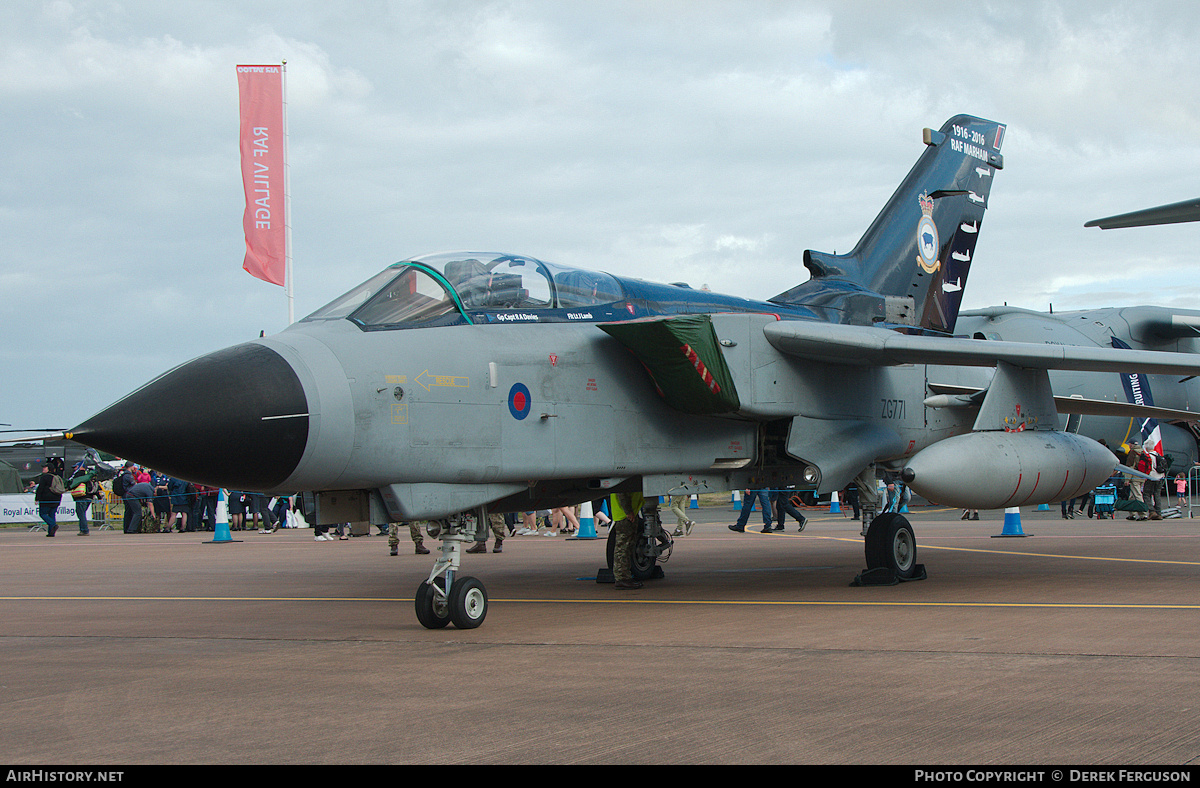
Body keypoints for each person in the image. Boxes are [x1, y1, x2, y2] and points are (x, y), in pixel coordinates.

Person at [611, 492, 644, 590]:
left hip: (627, 514)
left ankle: (625, 576)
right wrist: (628, 511)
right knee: (623, 547)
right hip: (624, 515)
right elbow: (622, 494)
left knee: (628, 546)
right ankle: (622, 578)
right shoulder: (623, 483)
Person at [33, 461, 64, 537]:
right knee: (52, 514)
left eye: (45, 467)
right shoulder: (57, 476)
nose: (43, 469)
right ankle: (51, 532)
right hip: (57, 498)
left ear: (49, 469)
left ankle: (53, 525)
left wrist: (37, 498)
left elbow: (40, 488)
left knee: (43, 513)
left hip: (46, 499)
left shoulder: (45, 477)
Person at [1126, 443, 1152, 521]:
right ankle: (1132, 514)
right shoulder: (1142, 452)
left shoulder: (1133, 452)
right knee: (1132, 496)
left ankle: (1143, 514)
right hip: (1142, 476)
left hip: (1135, 477)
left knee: (1137, 495)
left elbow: (1130, 467)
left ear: (1131, 445)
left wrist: (1127, 479)